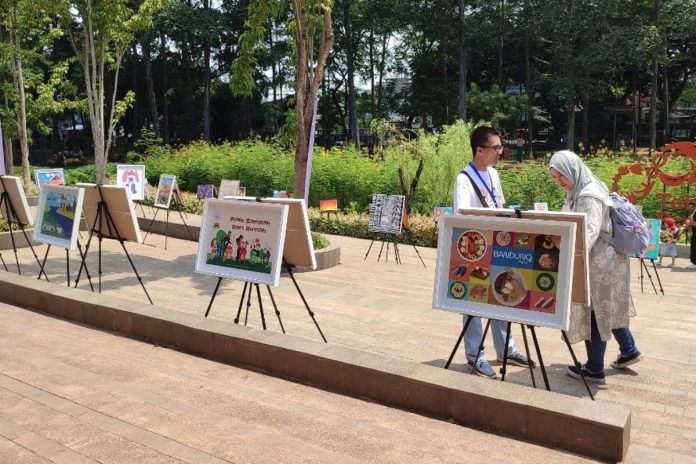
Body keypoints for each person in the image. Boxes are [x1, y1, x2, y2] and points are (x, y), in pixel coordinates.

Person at [548, 150, 642, 384]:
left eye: (561, 175)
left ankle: (594, 369)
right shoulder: (579, 189)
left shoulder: (588, 194)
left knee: (594, 312)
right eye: (555, 177)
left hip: (601, 262)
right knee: (606, 308)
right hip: (602, 260)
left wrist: (565, 256)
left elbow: (588, 233)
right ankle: (629, 350)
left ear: (573, 170)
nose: (559, 181)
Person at [452, 125, 535, 379]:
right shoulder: (464, 180)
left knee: (503, 294)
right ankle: (474, 354)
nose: (500, 152)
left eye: (500, 147)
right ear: (480, 150)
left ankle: (506, 348)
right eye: (495, 147)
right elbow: (461, 218)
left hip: (499, 246)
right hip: (475, 252)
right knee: (473, 300)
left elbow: (499, 205)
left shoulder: (494, 175)